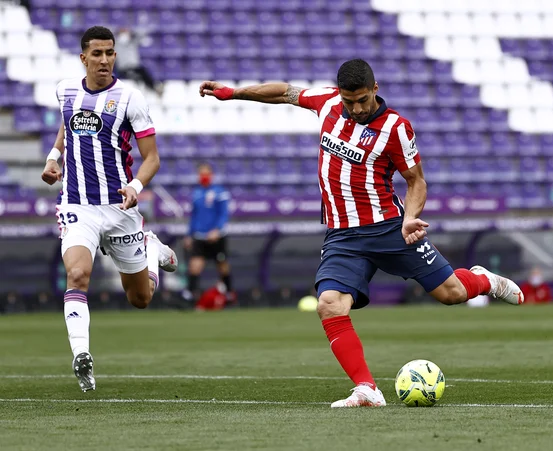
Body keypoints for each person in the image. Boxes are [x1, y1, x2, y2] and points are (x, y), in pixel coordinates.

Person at [199, 58, 524, 408]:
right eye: (348, 101)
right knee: (329, 305)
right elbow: (284, 92)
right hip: (342, 236)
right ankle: (367, 389)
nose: (355, 108)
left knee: (452, 293)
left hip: (389, 228)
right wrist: (234, 93)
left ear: (375, 90)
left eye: (363, 100)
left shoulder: (396, 128)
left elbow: (416, 181)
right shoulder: (327, 103)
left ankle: (484, 280)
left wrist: (410, 217)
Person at [40, 26, 178, 393]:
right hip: (77, 205)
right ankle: (81, 357)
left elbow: (152, 158)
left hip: (119, 208)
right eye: (97, 54)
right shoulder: (65, 90)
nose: (104, 60)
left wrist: (135, 187)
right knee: (78, 275)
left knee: (140, 299)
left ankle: (150, 250)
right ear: (83, 57)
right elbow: (67, 127)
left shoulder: (130, 98)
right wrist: (54, 157)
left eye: (110, 53)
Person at [182, 163, 233, 304]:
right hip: (199, 235)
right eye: (201, 174)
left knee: (222, 265)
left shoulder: (220, 192)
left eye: (206, 174)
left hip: (216, 236)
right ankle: (190, 295)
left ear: (211, 175)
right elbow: (194, 216)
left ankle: (228, 293)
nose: (204, 177)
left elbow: (223, 214)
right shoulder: (196, 193)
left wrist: (217, 229)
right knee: (195, 265)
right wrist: (189, 235)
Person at [113, 27, 163, 95]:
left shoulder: (132, 43)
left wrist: (132, 31)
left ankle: (153, 88)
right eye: (122, 33)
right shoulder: (116, 45)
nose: (124, 35)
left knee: (143, 71)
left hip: (136, 67)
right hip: (124, 69)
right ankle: (150, 89)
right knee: (138, 76)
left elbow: (142, 33)